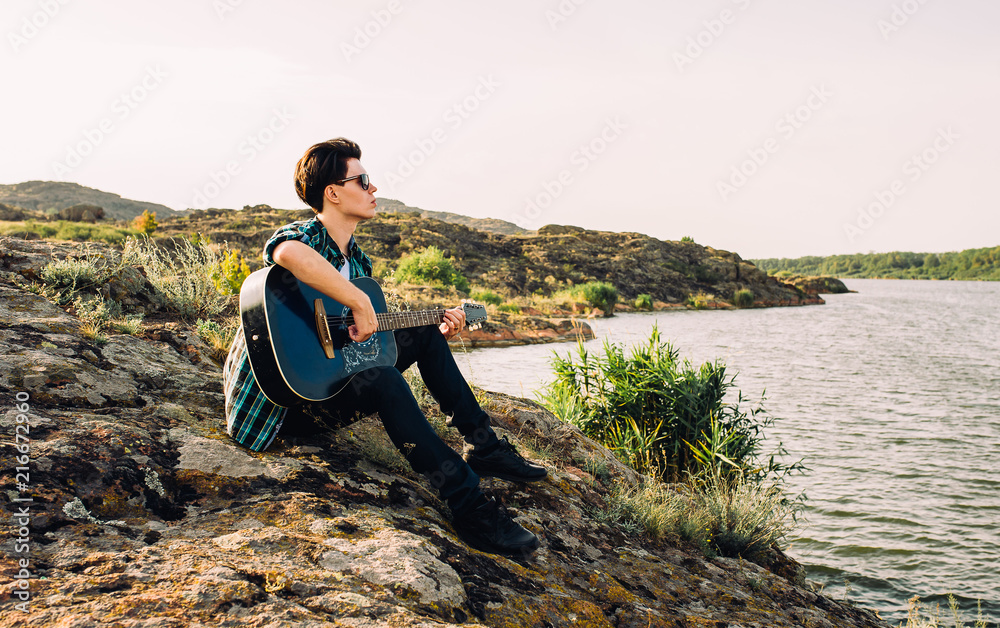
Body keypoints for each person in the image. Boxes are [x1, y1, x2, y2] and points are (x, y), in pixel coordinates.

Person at [223, 138, 546, 555]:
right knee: (387, 381)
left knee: (424, 334)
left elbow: (359, 345)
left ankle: (484, 447)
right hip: (282, 409)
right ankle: (470, 506)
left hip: (325, 390)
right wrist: (358, 303)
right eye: (363, 180)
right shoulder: (303, 237)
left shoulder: (358, 265)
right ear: (333, 192)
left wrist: (431, 323)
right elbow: (285, 253)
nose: (374, 189)